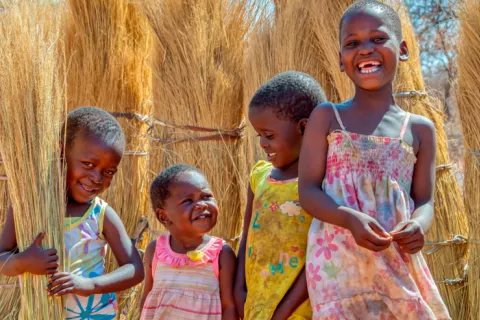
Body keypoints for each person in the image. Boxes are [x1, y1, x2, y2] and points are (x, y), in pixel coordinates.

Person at [298, 1, 450, 319]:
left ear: (403, 49)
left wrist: (418, 225)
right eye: (353, 43)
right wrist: (349, 219)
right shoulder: (328, 117)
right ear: (341, 60)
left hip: (396, 259)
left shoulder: (420, 129)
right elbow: (308, 192)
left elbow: (424, 201)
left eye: (378, 39)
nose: (366, 49)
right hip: (337, 265)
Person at [0, 106, 144, 319]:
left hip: (95, 315)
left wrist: (89, 284)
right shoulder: (28, 208)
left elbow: (135, 269)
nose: (97, 177)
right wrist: (23, 261)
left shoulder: (100, 214)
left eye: (108, 171)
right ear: (61, 151)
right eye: (87, 164)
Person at [234, 71, 327, 319]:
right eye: (259, 135)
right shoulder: (260, 176)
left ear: (304, 128)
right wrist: (239, 291)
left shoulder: (324, 183)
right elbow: (247, 237)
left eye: (270, 135)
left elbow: (320, 256)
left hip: (300, 311)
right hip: (256, 305)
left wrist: (281, 314)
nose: (262, 143)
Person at [140, 164, 237, 320]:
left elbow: (229, 306)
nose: (202, 204)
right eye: (188, 201)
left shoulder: (221, 254)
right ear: (164, 216)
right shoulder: (156, 251)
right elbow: (147, 298)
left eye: (206, 196)